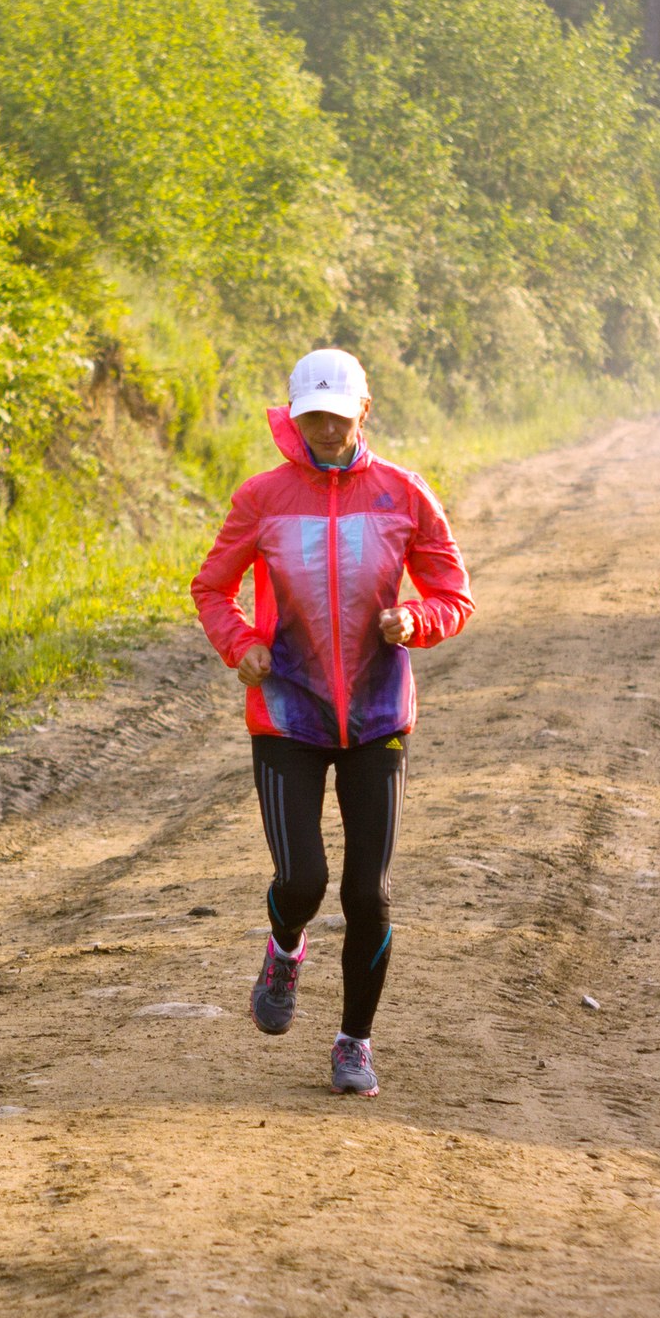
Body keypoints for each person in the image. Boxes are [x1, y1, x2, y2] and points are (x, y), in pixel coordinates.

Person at [189, 349, 475, 1097]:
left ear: (363, 412)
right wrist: (242, 643)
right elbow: (212, 586)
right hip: (287, 710)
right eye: (311, 414)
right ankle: (285, 945)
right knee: (304, 877)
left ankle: (354, 1042)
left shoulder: (404, 495)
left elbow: (453, 591)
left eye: (337, 415)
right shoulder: (262, 497)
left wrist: (414, 618)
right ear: (292, 413)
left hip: (379, 714)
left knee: (368, 893)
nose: (324, 428)